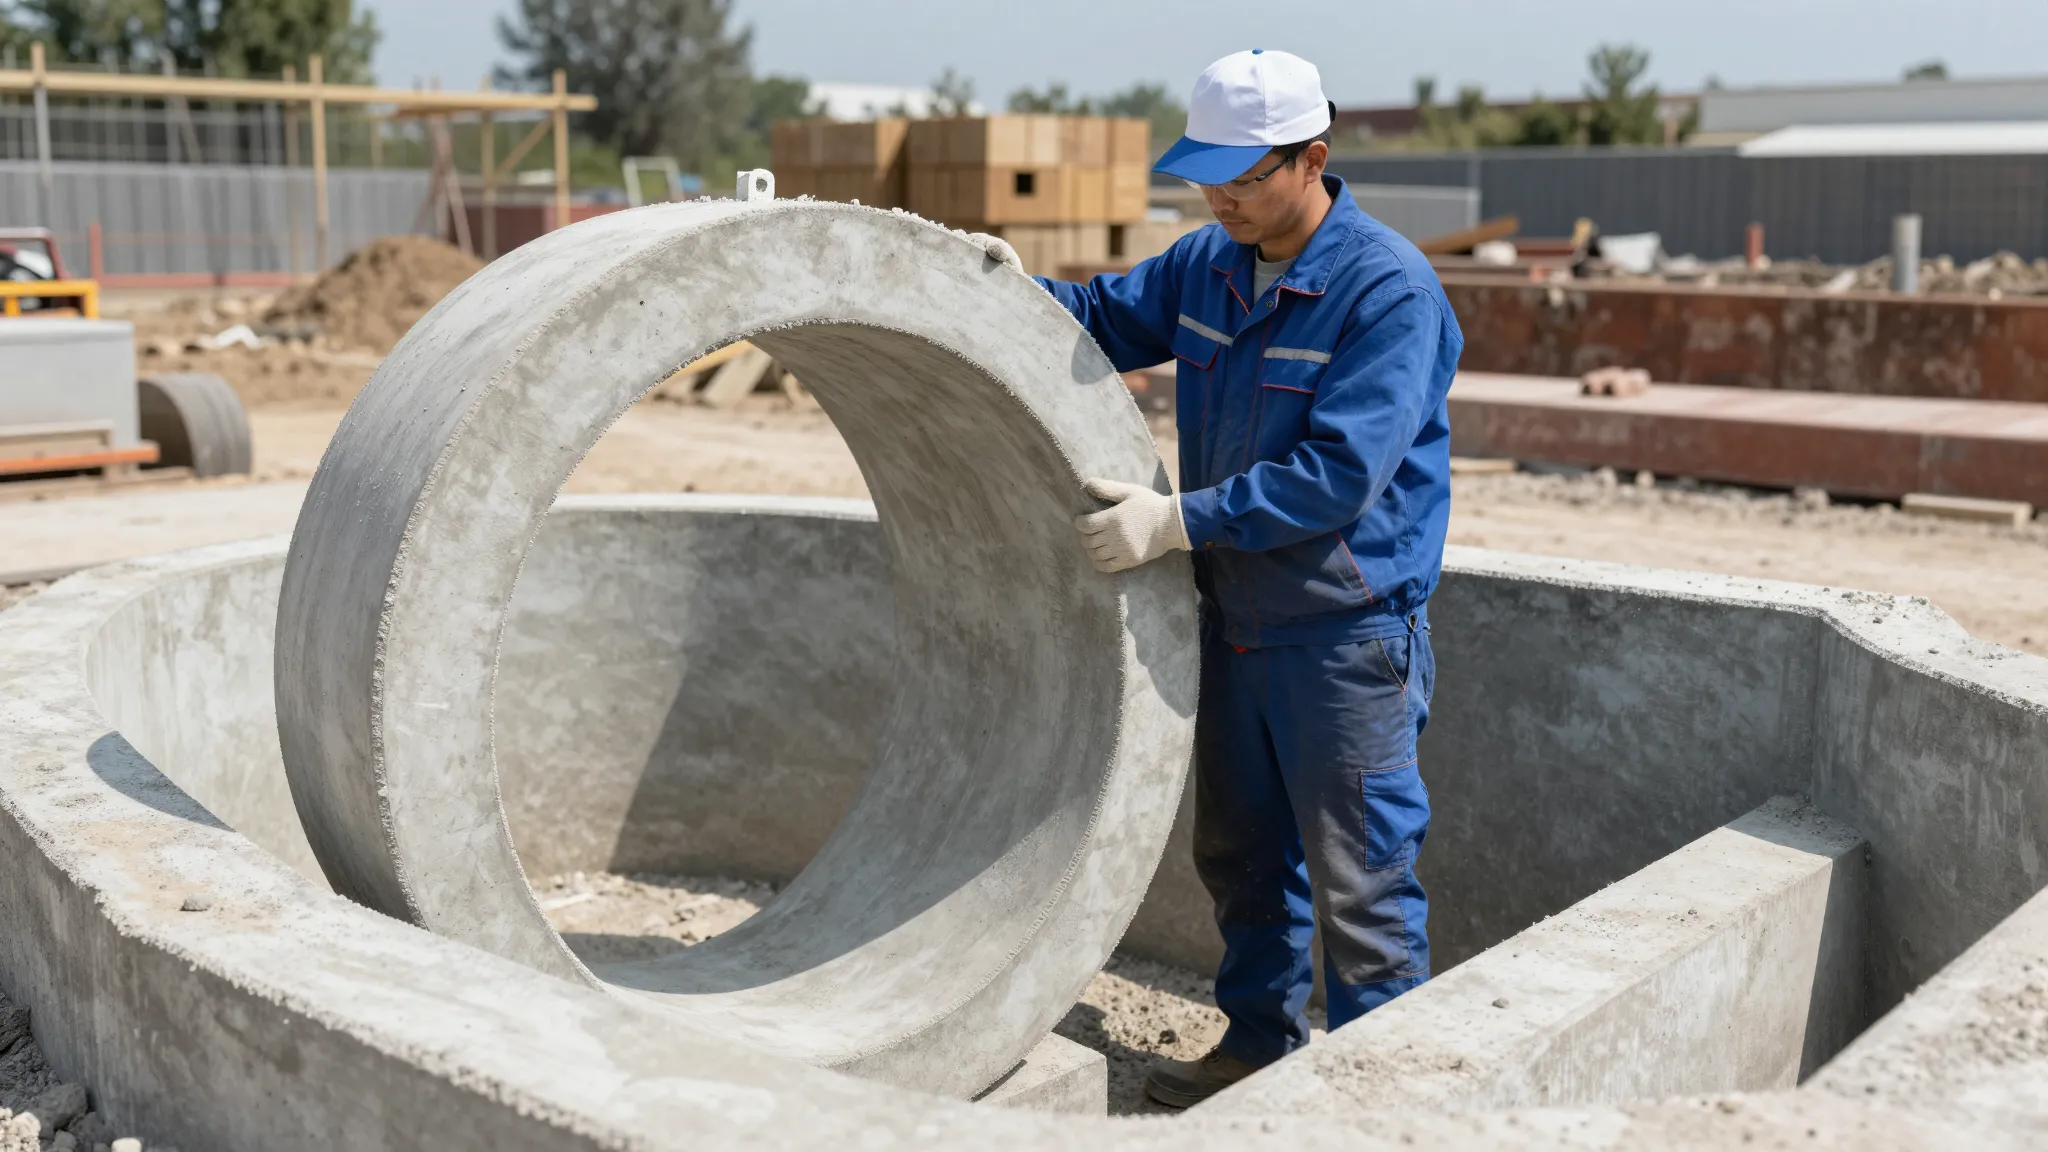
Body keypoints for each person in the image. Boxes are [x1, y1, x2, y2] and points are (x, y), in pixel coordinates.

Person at [1037, 49, 1463, 1107]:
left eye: (1243, 180)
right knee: (1240, 853)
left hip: (1343, 635)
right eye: (1206, 180)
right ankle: (1255, 1052)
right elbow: (1091, 319)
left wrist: (1176, 520)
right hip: (1232, 618)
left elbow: (1336, 476)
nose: (1219, 199)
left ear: (1310, 158)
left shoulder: (1384, 291)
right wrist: (973, 278)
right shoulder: (1205, 265)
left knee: (1361, 881)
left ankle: (1373, 1100)